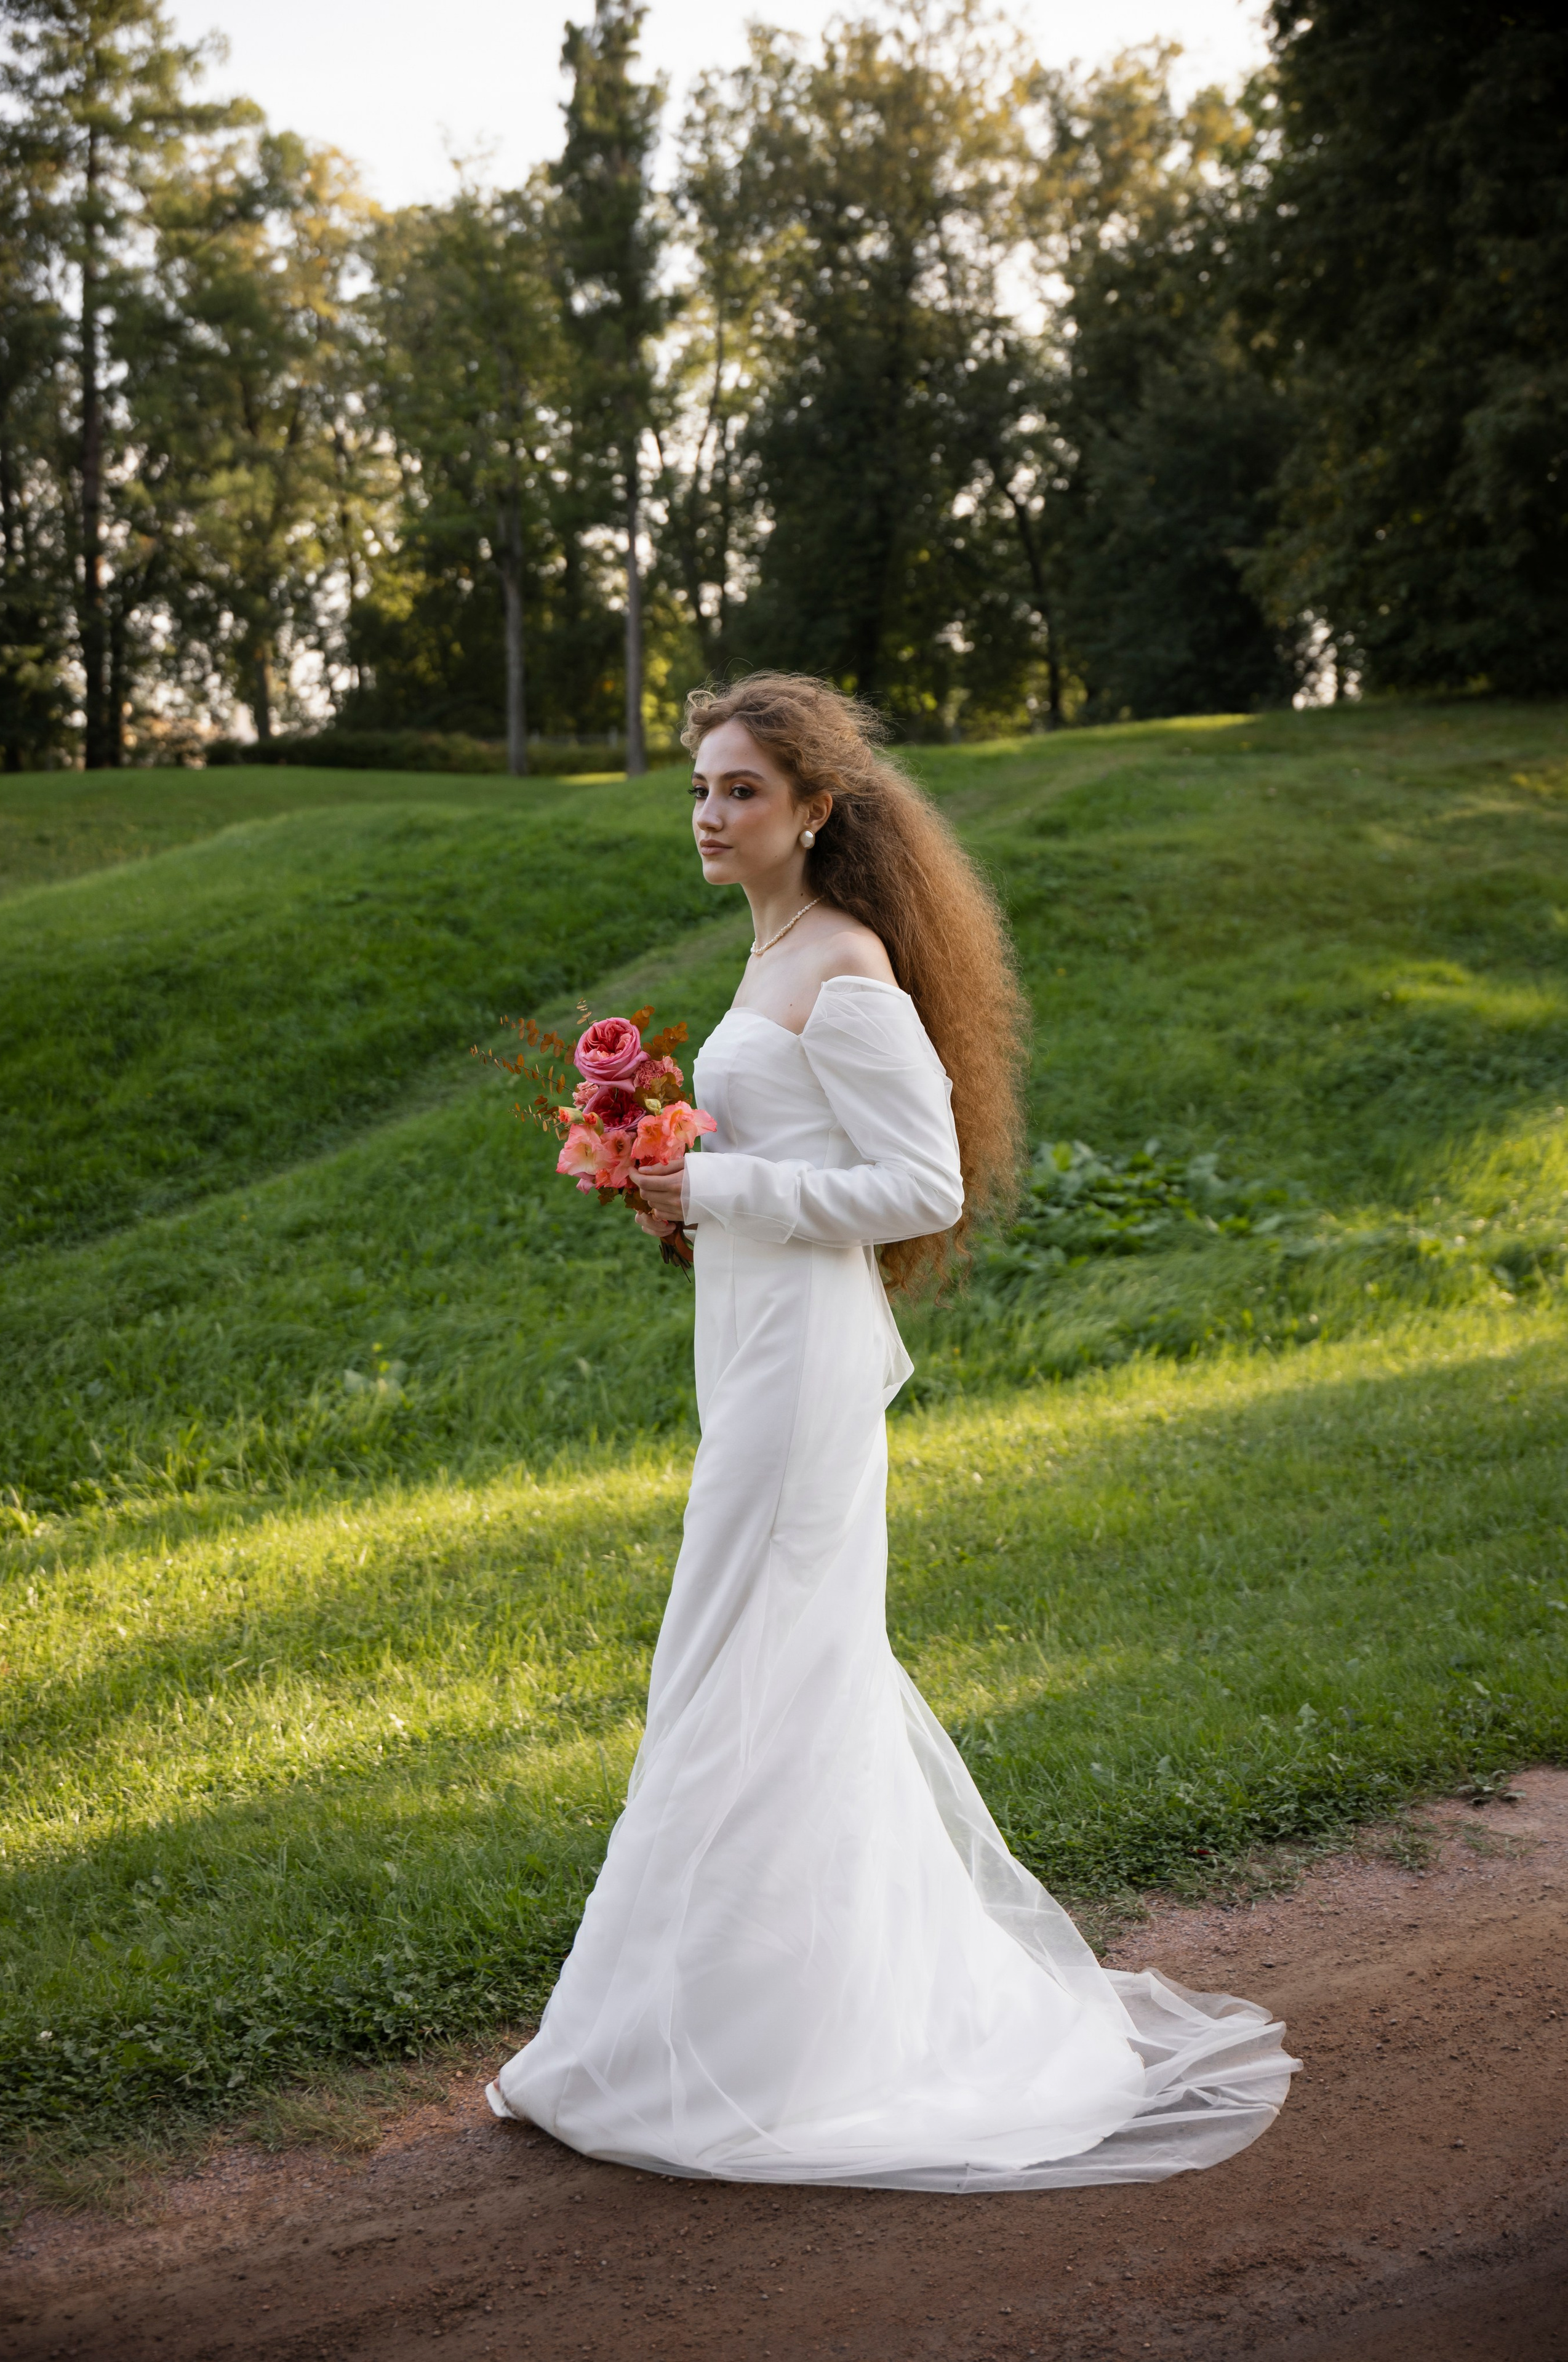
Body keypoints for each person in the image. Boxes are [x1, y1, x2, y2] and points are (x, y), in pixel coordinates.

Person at [487, 674, 1297, 2188]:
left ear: (815, 808)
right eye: (699, 789)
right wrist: (664, 1162)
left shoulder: (844, 963)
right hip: (751, 1346)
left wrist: (720, 1187)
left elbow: (923, 1183)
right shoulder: (774, 947)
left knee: (745, 1663)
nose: (710, 814)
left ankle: (746, 2050)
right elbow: (794, 1152)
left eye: (739, 790)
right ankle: (720, 2022)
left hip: (799, 1371)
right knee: (752, 1665)